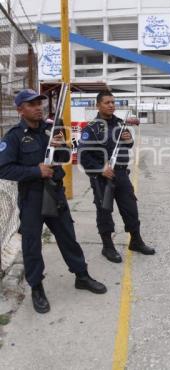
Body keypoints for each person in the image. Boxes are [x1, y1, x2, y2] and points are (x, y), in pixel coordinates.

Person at [0, 89, 107, 314]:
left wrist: (61, 148)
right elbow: (4, 168)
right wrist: (34, 171)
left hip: (55, 194)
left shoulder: (51, 129)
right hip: (32, 198)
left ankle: (81, 275)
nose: (38, 107)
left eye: (39, 102)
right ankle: (37, 287)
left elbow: (65, 157)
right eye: (31, 104)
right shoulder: (14, 137)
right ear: (20, 110)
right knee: (32, 245)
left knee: (68, 237)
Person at [77, 90, 155, 263]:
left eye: (113, 102)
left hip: (121, 174)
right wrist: (99, 169)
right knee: (104, 211)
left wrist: (128, 140)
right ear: (98, 105)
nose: (111, 105)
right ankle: (107, 246)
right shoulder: (91, 128)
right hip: (102, 178)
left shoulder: (120, 124)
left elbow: (127, 145)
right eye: (107, 102)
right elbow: (83, 156)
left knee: (131, 208)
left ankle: (136, 241)